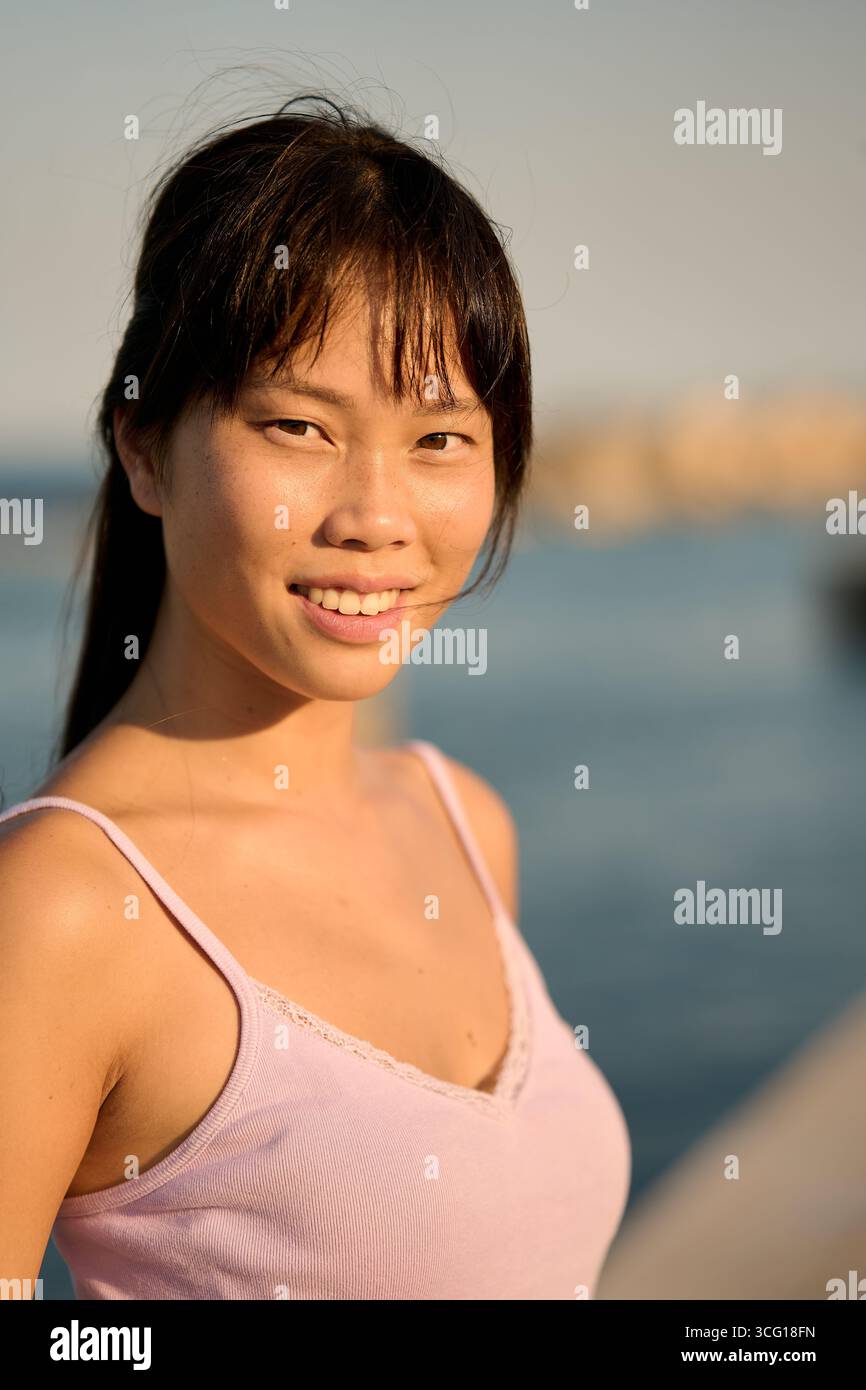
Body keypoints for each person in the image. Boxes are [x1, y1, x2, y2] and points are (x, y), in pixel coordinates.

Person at [0, 95, 630, 1300]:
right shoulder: (60, 910)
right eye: (297, 426)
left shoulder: (460, 820)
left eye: (439, 439)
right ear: (144, 446)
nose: (375, 518)